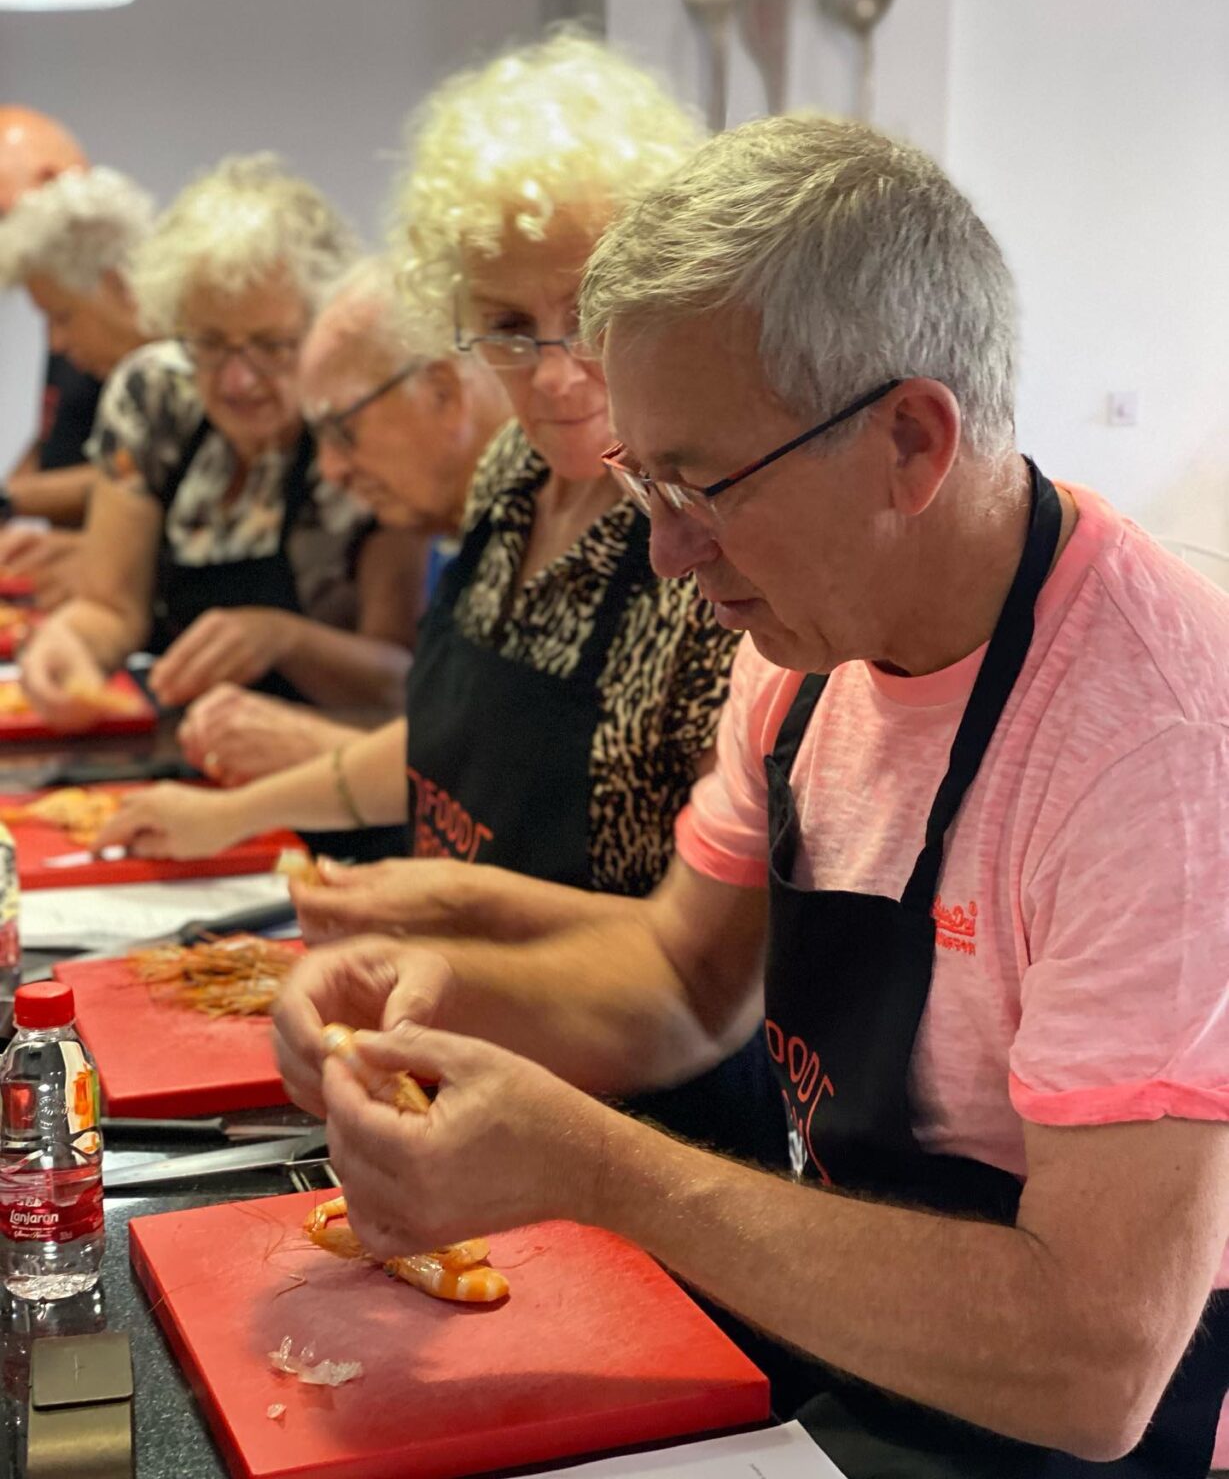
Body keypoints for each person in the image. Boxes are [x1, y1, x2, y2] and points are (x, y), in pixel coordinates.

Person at [272, 114, 1229, 1478]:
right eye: (643, 479)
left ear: (910, 438)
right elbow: (681, 978)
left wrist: (599, 1171)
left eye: (703, 483)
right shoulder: (804, 646)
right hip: (855, 1382)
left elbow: (1099, 1358)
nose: (666, 553)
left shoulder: (1154, 745)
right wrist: (427, 999)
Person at [100, 31, 769, 1159]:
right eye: (508, 327)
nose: (555, 374)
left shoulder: (713, 546)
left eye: (593, 312)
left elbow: (704, 965)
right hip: (450, 1051)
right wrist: (238, 814)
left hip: (645, 1124)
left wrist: (445, 930)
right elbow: (450, 741)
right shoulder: (511, 479)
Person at [20, 154, 420, 729]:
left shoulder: (368, 429)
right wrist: (69, 644)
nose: (238, 379)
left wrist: (282, 639)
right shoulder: (155, 394)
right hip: (181, 746)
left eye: (271, 345)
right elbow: (111, 607)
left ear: (322, 327)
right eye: (208, 343)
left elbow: (397, 680)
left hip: (324, 767)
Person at [175, 257, 510, 788]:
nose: (330, 468)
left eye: (342, 430)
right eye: (210, 346)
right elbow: (458, 738)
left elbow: (521, 789)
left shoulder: (560, 529)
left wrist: (316, 743)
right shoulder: (475, 530)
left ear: (443, 392)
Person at [0, 164, 154, 605]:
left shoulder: (185, 379)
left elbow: (133, 482)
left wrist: (11, 499)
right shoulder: (105, 363)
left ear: (116, 284)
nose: (56, 341)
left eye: (61, 316)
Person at [0, 107, 102, 599]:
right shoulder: (59, 296)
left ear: (55, 181)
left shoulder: (113, 295)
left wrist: (8, 499)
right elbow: (53, 436)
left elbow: (137, 475)